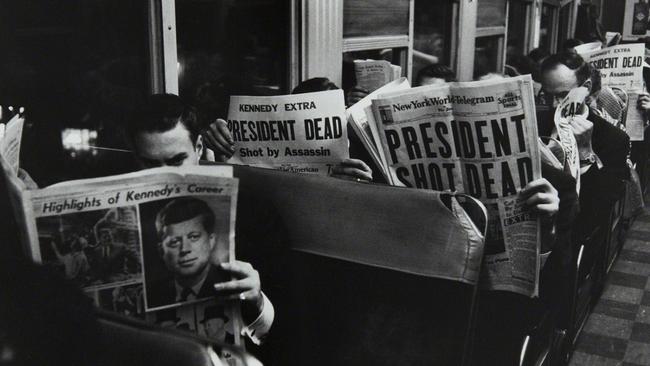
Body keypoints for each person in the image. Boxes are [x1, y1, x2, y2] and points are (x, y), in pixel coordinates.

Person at [125, 95, 274, 345]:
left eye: (176, 161)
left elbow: (282, 329)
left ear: (199, 147)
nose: (165, 176)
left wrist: (257, 300)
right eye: (149, 164)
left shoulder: (253, 211)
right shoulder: (127, 216)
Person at [539, 52, 630, 237]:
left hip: (576, 232)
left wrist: (586, 153)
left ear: (586, 87)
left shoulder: (613, 137)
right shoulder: (537, 120)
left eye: (563, 95)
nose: (555, 104)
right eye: (548, 95)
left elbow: (600, 209)